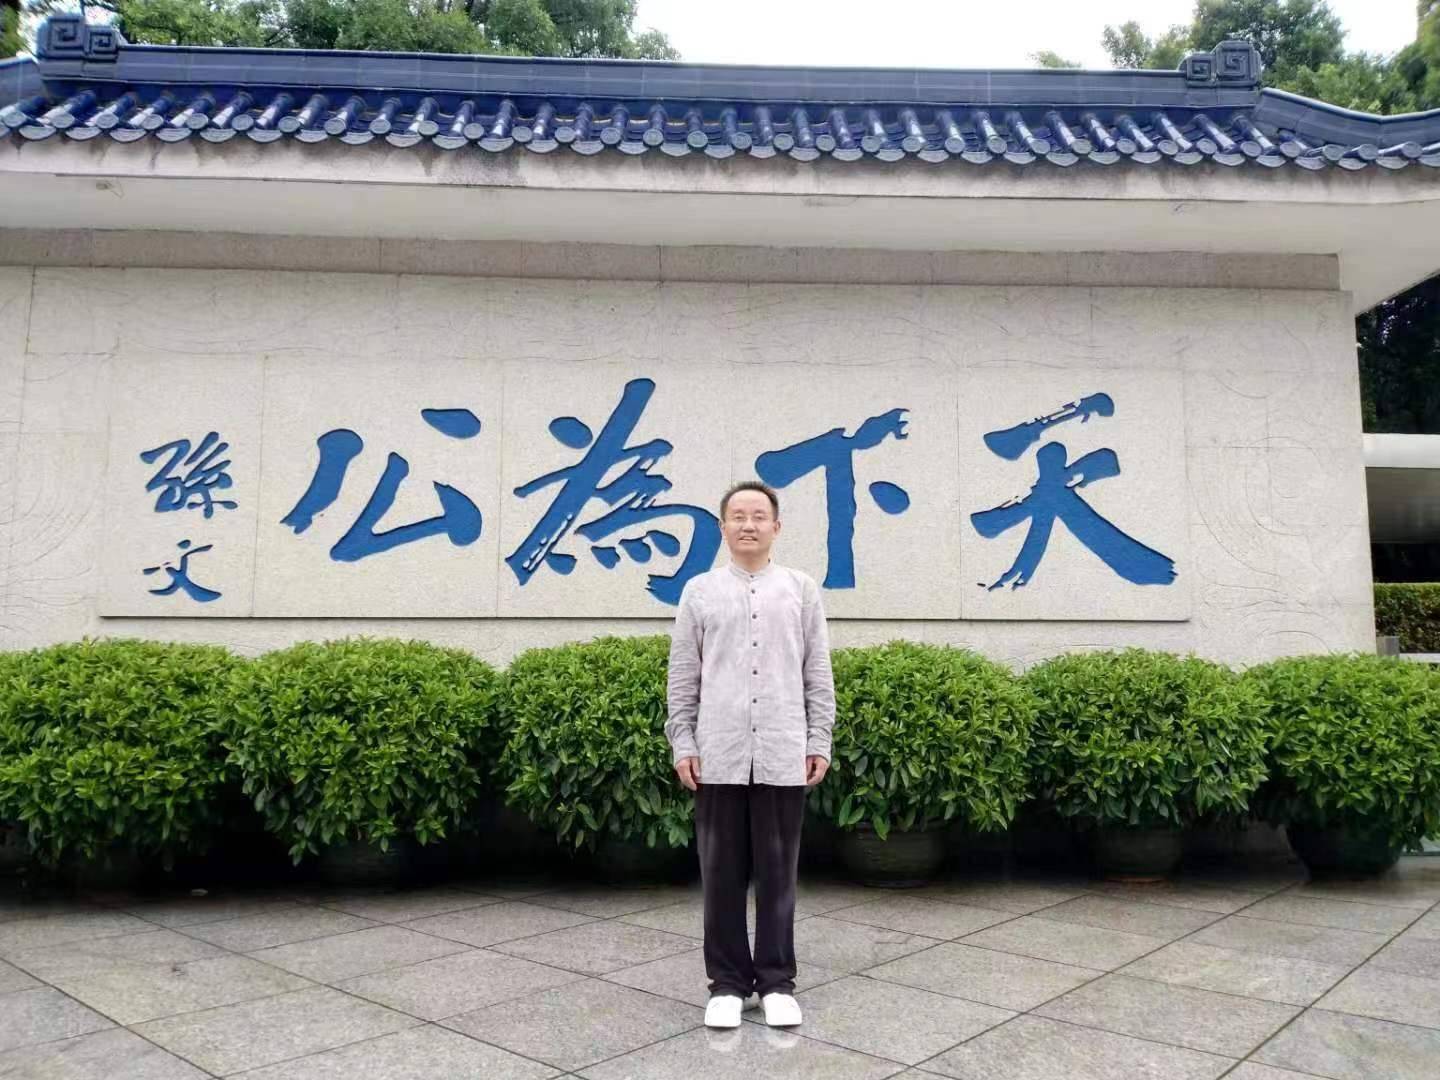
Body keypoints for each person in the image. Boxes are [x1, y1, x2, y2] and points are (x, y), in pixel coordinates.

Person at [664, 480, 835, 1030]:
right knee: (720, 874)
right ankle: (728, 985)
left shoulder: (800, 589)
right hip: (720, 752)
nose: (748, 525)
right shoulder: (699, 591)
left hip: (783, 750)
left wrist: (819, 738)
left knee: (779, 875)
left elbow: (817, 671)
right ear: (723, 527)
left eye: (759, 516)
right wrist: (683, 741)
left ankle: (777, 981)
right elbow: (683, 676)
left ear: (776, 527)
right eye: (738, 515)